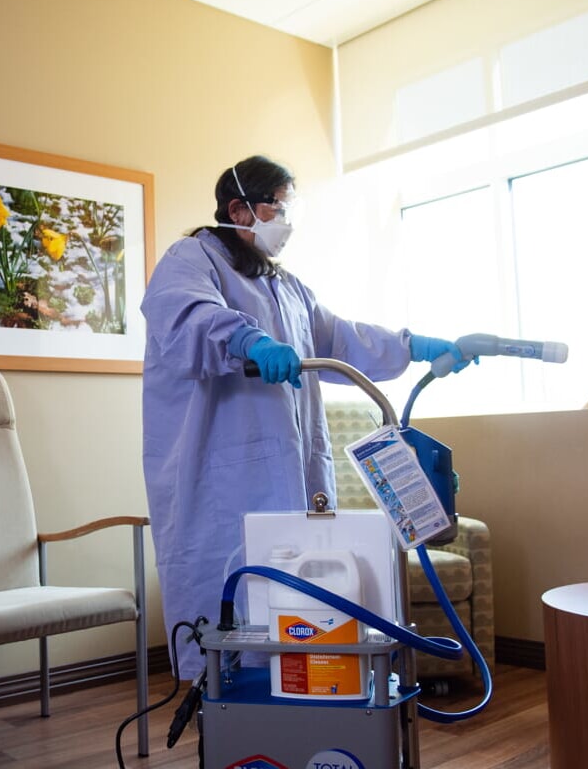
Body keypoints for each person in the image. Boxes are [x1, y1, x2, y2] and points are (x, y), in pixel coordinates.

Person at [141, 155, 475, 678]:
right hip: (222, 480)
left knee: (302, 599)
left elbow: (341, 340)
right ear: (241, 208)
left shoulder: (287, 286)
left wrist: (415, 347)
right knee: (232, 604)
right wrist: (246, 338)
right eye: (279, 207)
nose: (287, 222)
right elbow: (187, 316)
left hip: (295, 476)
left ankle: (302, 698)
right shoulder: (191, 258)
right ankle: (230, 710)